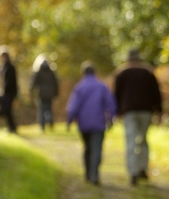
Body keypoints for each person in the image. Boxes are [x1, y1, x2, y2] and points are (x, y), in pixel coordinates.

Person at [114, 49, 162, 186]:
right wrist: (159, 111)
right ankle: (142, 168)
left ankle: (133, 171)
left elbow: (116, 95)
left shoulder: (121, 73)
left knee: (131, 140)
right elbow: (156, 93)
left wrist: (116, 112)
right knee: (143, 140)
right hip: (146, 111)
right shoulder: (148, 73)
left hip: (129, 111)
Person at [66, 61, 117, 185]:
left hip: (84, 124)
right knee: (96, 149)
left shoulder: (79, 87)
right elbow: (110, 103)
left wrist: (69, 120)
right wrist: (110, 118)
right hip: (98, 123)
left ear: (83, 73)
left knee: (87, 148)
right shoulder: (102, 86)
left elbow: (73, 106)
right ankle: (94, 173)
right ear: (95, 72)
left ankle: (88, 173)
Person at [30, 56, 59, 132]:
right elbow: (55, 83)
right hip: (50, 94)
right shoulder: (51, 72)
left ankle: (42, 126)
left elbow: (33, 83)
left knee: (41, 110)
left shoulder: (38, 72)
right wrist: (56, 93)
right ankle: (50, 121)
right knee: (49, 109)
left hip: (41, 94)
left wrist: (31, 91)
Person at [0, 49, 18, 133]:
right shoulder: (2, 66)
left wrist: (4, 91)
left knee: (5, 110)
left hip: (10, 92)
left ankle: (12, 128)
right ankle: (12, 128)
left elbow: (10, 82)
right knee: (8, 111)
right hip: (6, 92)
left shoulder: (10, 67)